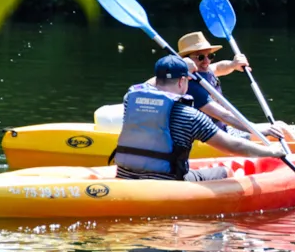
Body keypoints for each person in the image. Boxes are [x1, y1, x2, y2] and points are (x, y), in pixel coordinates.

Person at [114, 55, 286, 182]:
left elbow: (146, 85)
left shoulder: (130, 99)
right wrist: (270, 152)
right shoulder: (190, 116)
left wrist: (177, 65)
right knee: (227, 172)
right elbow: (233, 145)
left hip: (125, 175)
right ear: (182, 81)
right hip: (168, 183)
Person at [177, 31, 248, 131]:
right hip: (206, 138)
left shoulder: (203, 70)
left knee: (278, 126)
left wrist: (233, 64)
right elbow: (224, 116)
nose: (206, 61)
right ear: (186, 60)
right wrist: (255, 129)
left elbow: (218, 67)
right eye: (200, 57)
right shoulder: (190, 84)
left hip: (222, 128)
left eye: (210, 56)